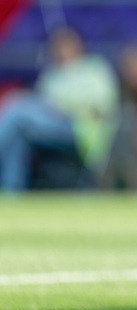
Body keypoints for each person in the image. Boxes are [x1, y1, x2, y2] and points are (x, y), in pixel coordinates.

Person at [0, 27, 119, 191]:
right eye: (58, 47)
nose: (62, 51)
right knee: (18, 126)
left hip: (80, 130)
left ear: (77, 45)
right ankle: (11, 190)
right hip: (50, 125)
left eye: (66, 45)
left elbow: (101, 106)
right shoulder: (52, 75)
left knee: (18, 111)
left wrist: (63, 106)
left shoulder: (94, 69)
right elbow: (41, 105)